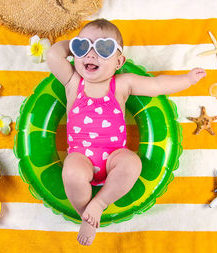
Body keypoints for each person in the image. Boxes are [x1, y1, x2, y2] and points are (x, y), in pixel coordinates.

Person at [46, 18, 206, 246]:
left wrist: (187, 80)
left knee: (132, 164)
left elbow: (158, 86)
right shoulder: (73, 82)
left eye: (103, 49)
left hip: (114, 156)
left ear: (119, 61)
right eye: (84, 47)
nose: (91, 55)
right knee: (71, 173)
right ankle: (85, 214)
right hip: (81, 156)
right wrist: (75, 44)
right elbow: (53, 55)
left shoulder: (122, 84)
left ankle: (99, 203)